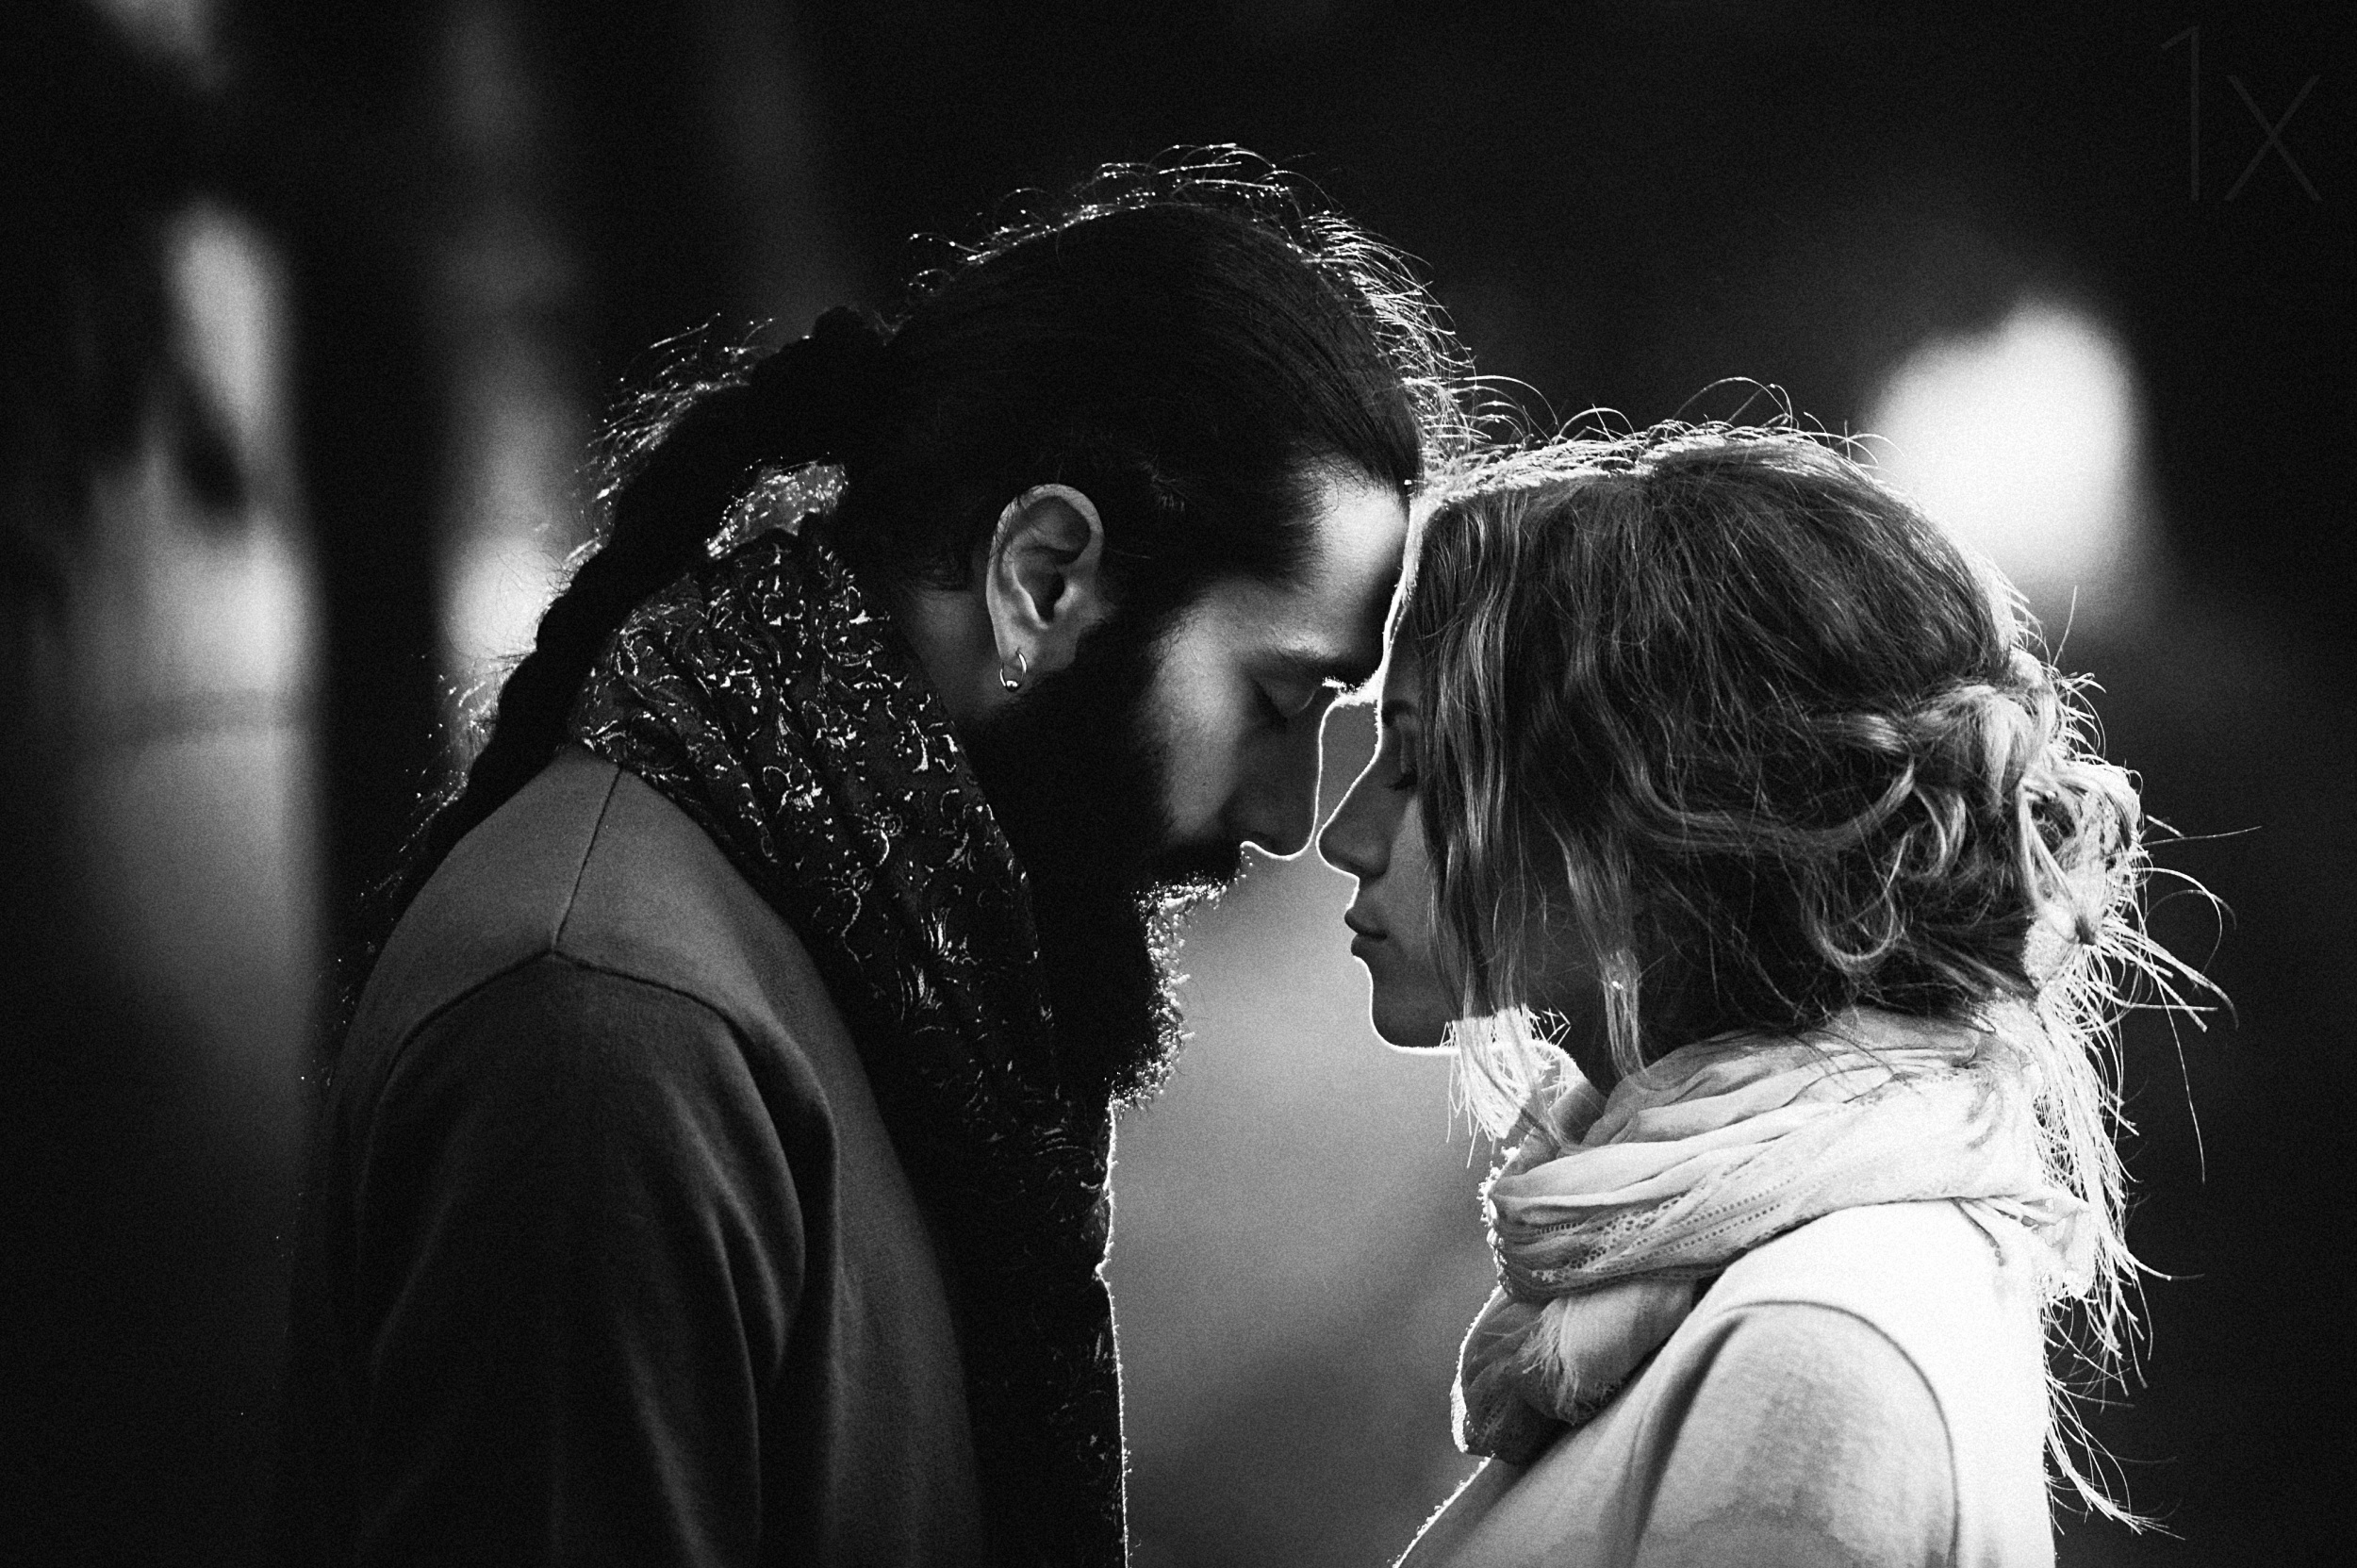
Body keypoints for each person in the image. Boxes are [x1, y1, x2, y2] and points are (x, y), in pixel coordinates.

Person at [277, 157, 1468, 1567]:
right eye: (1274, 701)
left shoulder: (874, 960)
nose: (1282, 815)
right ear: (1043, 577)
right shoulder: (608, 1032)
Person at [1320, 424, 2197, 1566]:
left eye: (1418, 765)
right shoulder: (1735, 1299)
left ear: (1646, 827)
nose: (1345, 836)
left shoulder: (1815, 1355)